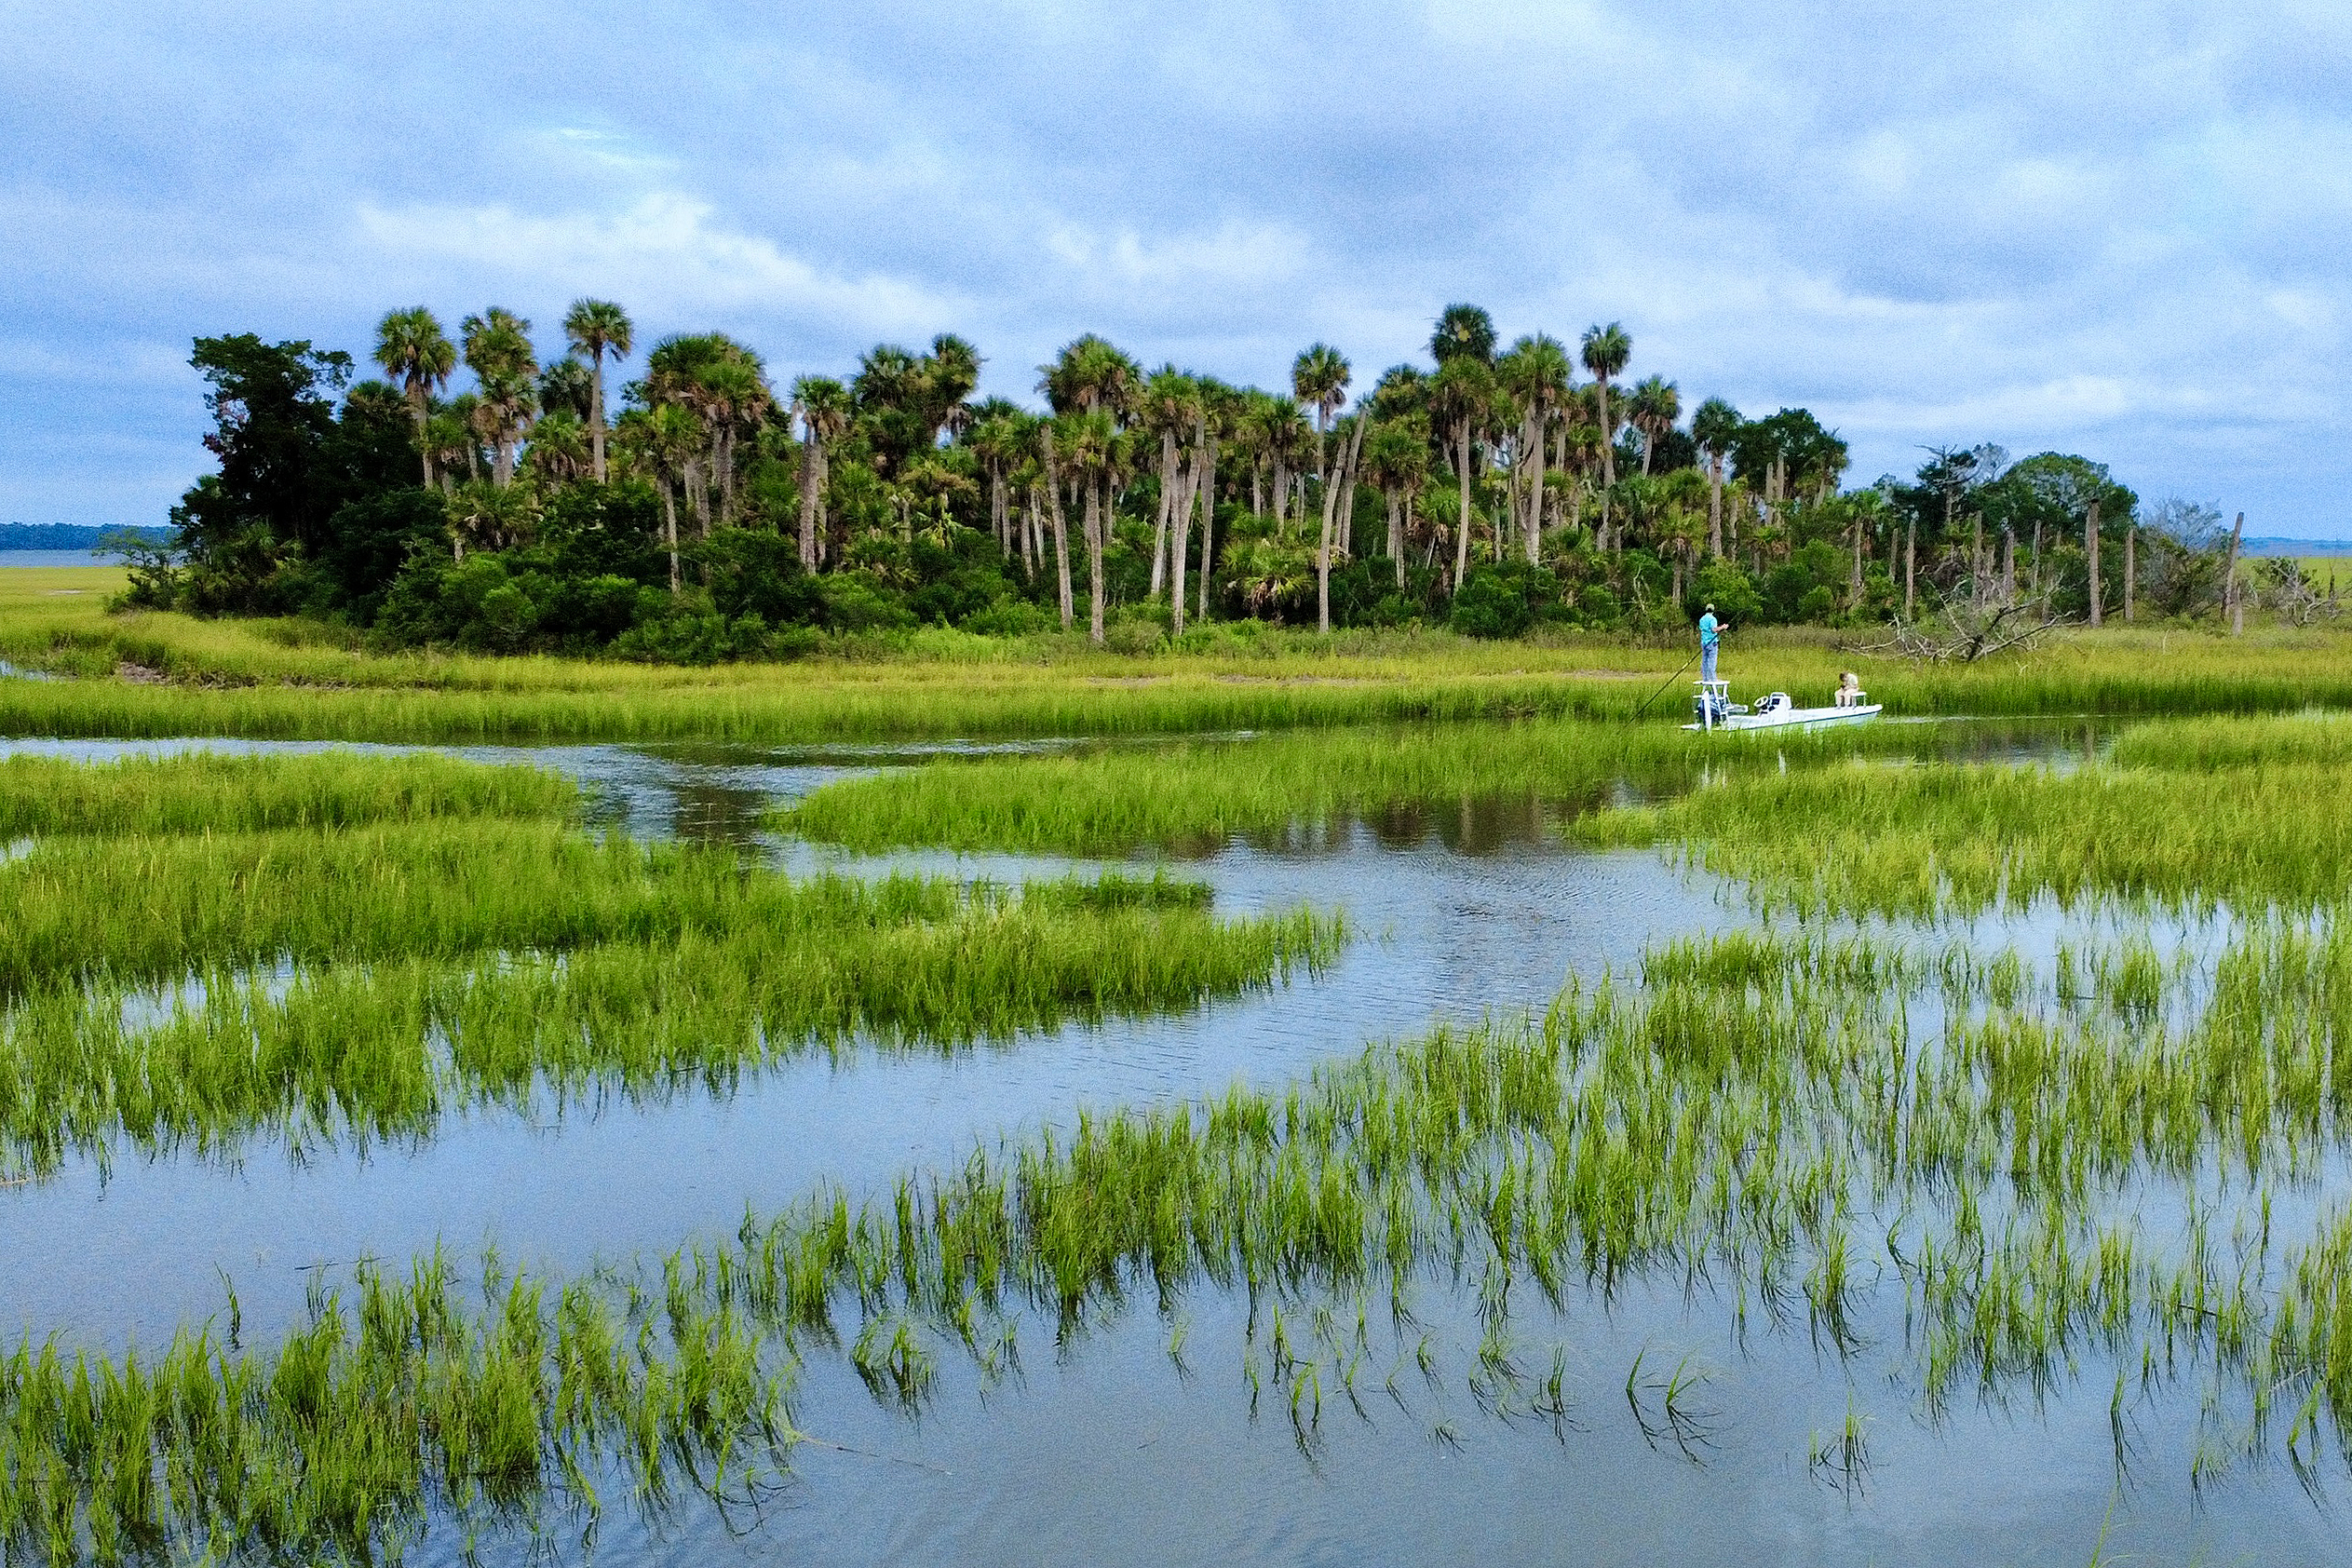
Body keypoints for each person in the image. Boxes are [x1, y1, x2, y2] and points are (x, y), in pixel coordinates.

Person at [1697, 602, 1722, 683]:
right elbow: (1714, 630)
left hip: (1704, 643)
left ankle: (1705, 679)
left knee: (1704, 661)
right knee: (1712, 662)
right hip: (1712, 643)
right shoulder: (1713, 619)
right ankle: (1713, 679)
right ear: (1713, 610)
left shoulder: (1702, 619)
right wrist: (1723, 627)